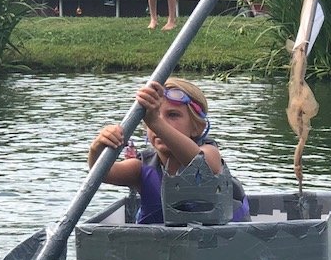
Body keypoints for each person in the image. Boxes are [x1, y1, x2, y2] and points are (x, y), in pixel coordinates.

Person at [88, 78, 250, 224]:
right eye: (155, 116)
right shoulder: (140, 168)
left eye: (173, 115)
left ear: (197, 127)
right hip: (163, 252)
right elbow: (101, 173)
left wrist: (156, 122)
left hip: (225, 248)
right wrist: (97, 147)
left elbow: (201, 165)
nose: (161, 122)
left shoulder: (210, 153)